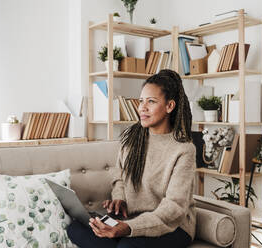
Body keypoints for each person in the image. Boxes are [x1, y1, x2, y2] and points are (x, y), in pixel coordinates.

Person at [67, 69, 196, 248]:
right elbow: (119, 175)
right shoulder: (132, 137)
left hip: (172, 226)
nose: (142, 107)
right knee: (76, 227)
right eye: (141, 101)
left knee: (127, 246)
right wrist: (119, 199)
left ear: (169, 106)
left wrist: (127, 228)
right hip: (131, 218)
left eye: (151, 101)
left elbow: (173, 209)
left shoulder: (183, 149)